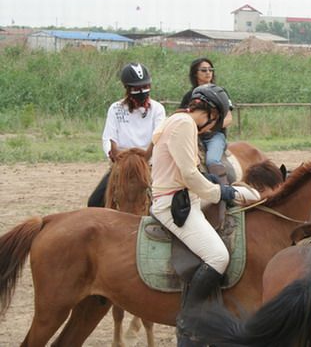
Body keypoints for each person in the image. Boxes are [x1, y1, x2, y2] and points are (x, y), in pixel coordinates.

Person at [150, 83, 259, 346]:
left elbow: (187, 170)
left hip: (188, 195)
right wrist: (222, 193)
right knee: (218, 256)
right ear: (209, 111)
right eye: (217, 120)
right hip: (172, 203)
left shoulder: (176, 120)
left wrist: (221, 188)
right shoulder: (185, 124)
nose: (214, 127)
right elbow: (188, 175)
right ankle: (189, 319)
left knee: (246, 199)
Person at [87, 63, 166, 207]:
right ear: (127, 88)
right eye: (137, 88)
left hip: (147, 165)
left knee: (165, 204)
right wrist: (114, 154)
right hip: (122, 164)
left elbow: (158, 136)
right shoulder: (116, 109)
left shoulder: (157, 109)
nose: (142, 91)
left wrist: (148, 156)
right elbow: (108, 137)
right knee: (94, 202)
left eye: (145, 86)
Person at [179, 57, 234, 222]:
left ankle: (225, 196)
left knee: (211, 160)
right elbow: (183, 115)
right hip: (194, 135)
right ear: (195, 74)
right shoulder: (190, 95)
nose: (208, 73)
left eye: (210, 70)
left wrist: (212, 125)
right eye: (204, 70)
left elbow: (229, 117)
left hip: (214, 136)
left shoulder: (219, 92)